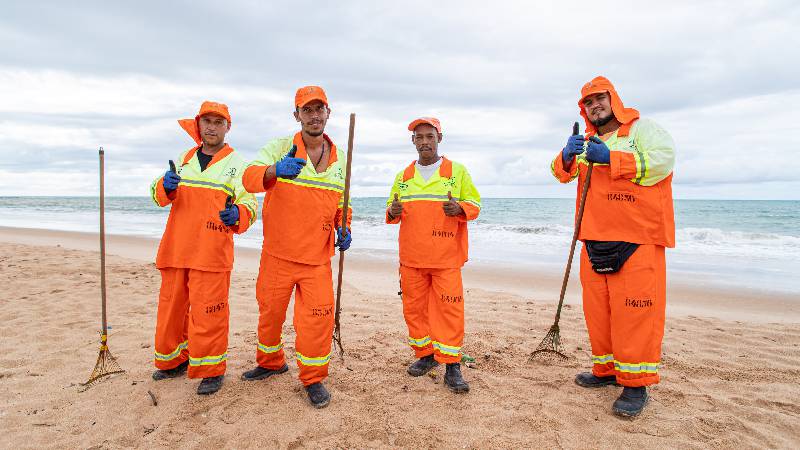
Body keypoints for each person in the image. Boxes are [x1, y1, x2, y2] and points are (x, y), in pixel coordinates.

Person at [550, 76, 676, 417]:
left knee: (635, 313)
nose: (594, 106)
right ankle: (605, 370)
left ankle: (636, 385)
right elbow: (561, 173)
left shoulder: (642, 130)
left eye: (599, 99)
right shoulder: (587, 140)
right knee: (599, 312)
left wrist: (612, 159)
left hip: (638, 238)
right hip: (593, 237)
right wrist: (565, 154)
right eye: (588, 102)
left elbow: (665, 160)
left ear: (613, 99)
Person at [240, 86, 352, 409]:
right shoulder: (280, 147)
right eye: (307, 110)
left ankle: (314, 378)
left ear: (328, 114)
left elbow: (343, 205)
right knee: (270, 313)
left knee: (318, 318)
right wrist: (275, 170)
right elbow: (248, 178)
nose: (314, 116)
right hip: (278, 253)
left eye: (320, 110)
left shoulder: (340, 159)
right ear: (297, 115)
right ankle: (270, 361)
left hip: (317, 257)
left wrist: (344, 227)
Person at [149, 101, 258, 395]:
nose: (212, 127)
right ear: (199, 125)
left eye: (218, 122)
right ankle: (173, 360)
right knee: (171, 309)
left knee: (210, 312)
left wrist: (239, 214)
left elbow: (250, 203)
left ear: (227, 127)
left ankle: (211, 369)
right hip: (176, 248)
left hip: (211, 253)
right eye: (207, 121)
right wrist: (165, 185)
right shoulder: (183, 159)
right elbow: (157, 197)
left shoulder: (239, 164)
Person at [386, 117, 481, 393]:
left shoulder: (457, 171)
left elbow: (475, 204)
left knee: (449, 310)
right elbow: (392, 209)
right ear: (413, 141)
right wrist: (392, 211)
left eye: (430, 136)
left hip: (445, 259)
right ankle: (426, 356)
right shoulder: (403, 176)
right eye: (419, 137)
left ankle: (452, 366)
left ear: (439, 138)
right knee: (414, 311)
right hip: (412, 259)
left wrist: (459, 208)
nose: (425, 141)